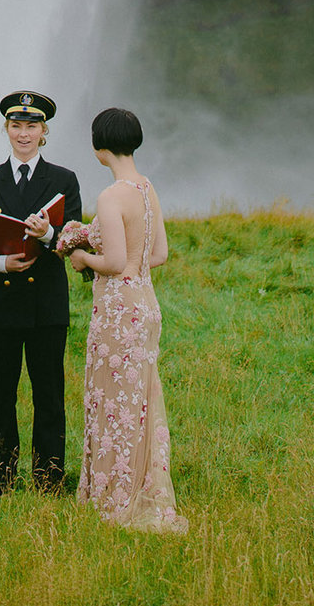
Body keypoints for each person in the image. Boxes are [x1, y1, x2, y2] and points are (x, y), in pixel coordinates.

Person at [66, 106, 188, 534]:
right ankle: (139, 483)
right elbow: (158, 255)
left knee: (112, 399)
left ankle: (114, 495)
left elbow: (115, 261)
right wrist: (131, 265)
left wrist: (81, 256)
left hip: (118, 309)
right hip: (146, 303)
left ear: (100, 148)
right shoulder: (147, 188)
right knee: (139, 399)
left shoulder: (111, 195)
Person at [0, 90, 82, 493]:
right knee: (0, 395)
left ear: (44, 131)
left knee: (49, 394)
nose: (23, 133)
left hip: (46, 306)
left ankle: (49, 479)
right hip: (1, 304)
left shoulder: (64, 180)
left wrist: (49, 234)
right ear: (6, 129)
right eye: (16, 126)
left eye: (31, 126)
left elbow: (78, 239)